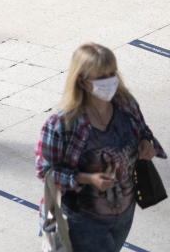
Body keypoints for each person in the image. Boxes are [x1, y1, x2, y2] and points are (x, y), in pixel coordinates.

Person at [36, 43, 166, 251]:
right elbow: (46, 172)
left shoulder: (126, 105)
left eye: (112, 73)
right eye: (101, 77)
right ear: (82, 81)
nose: (110, 81)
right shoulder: (61, 124)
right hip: (83, 221)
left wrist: (146, 144)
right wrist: (88, 179)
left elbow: (143, 131)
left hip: (124, 215)